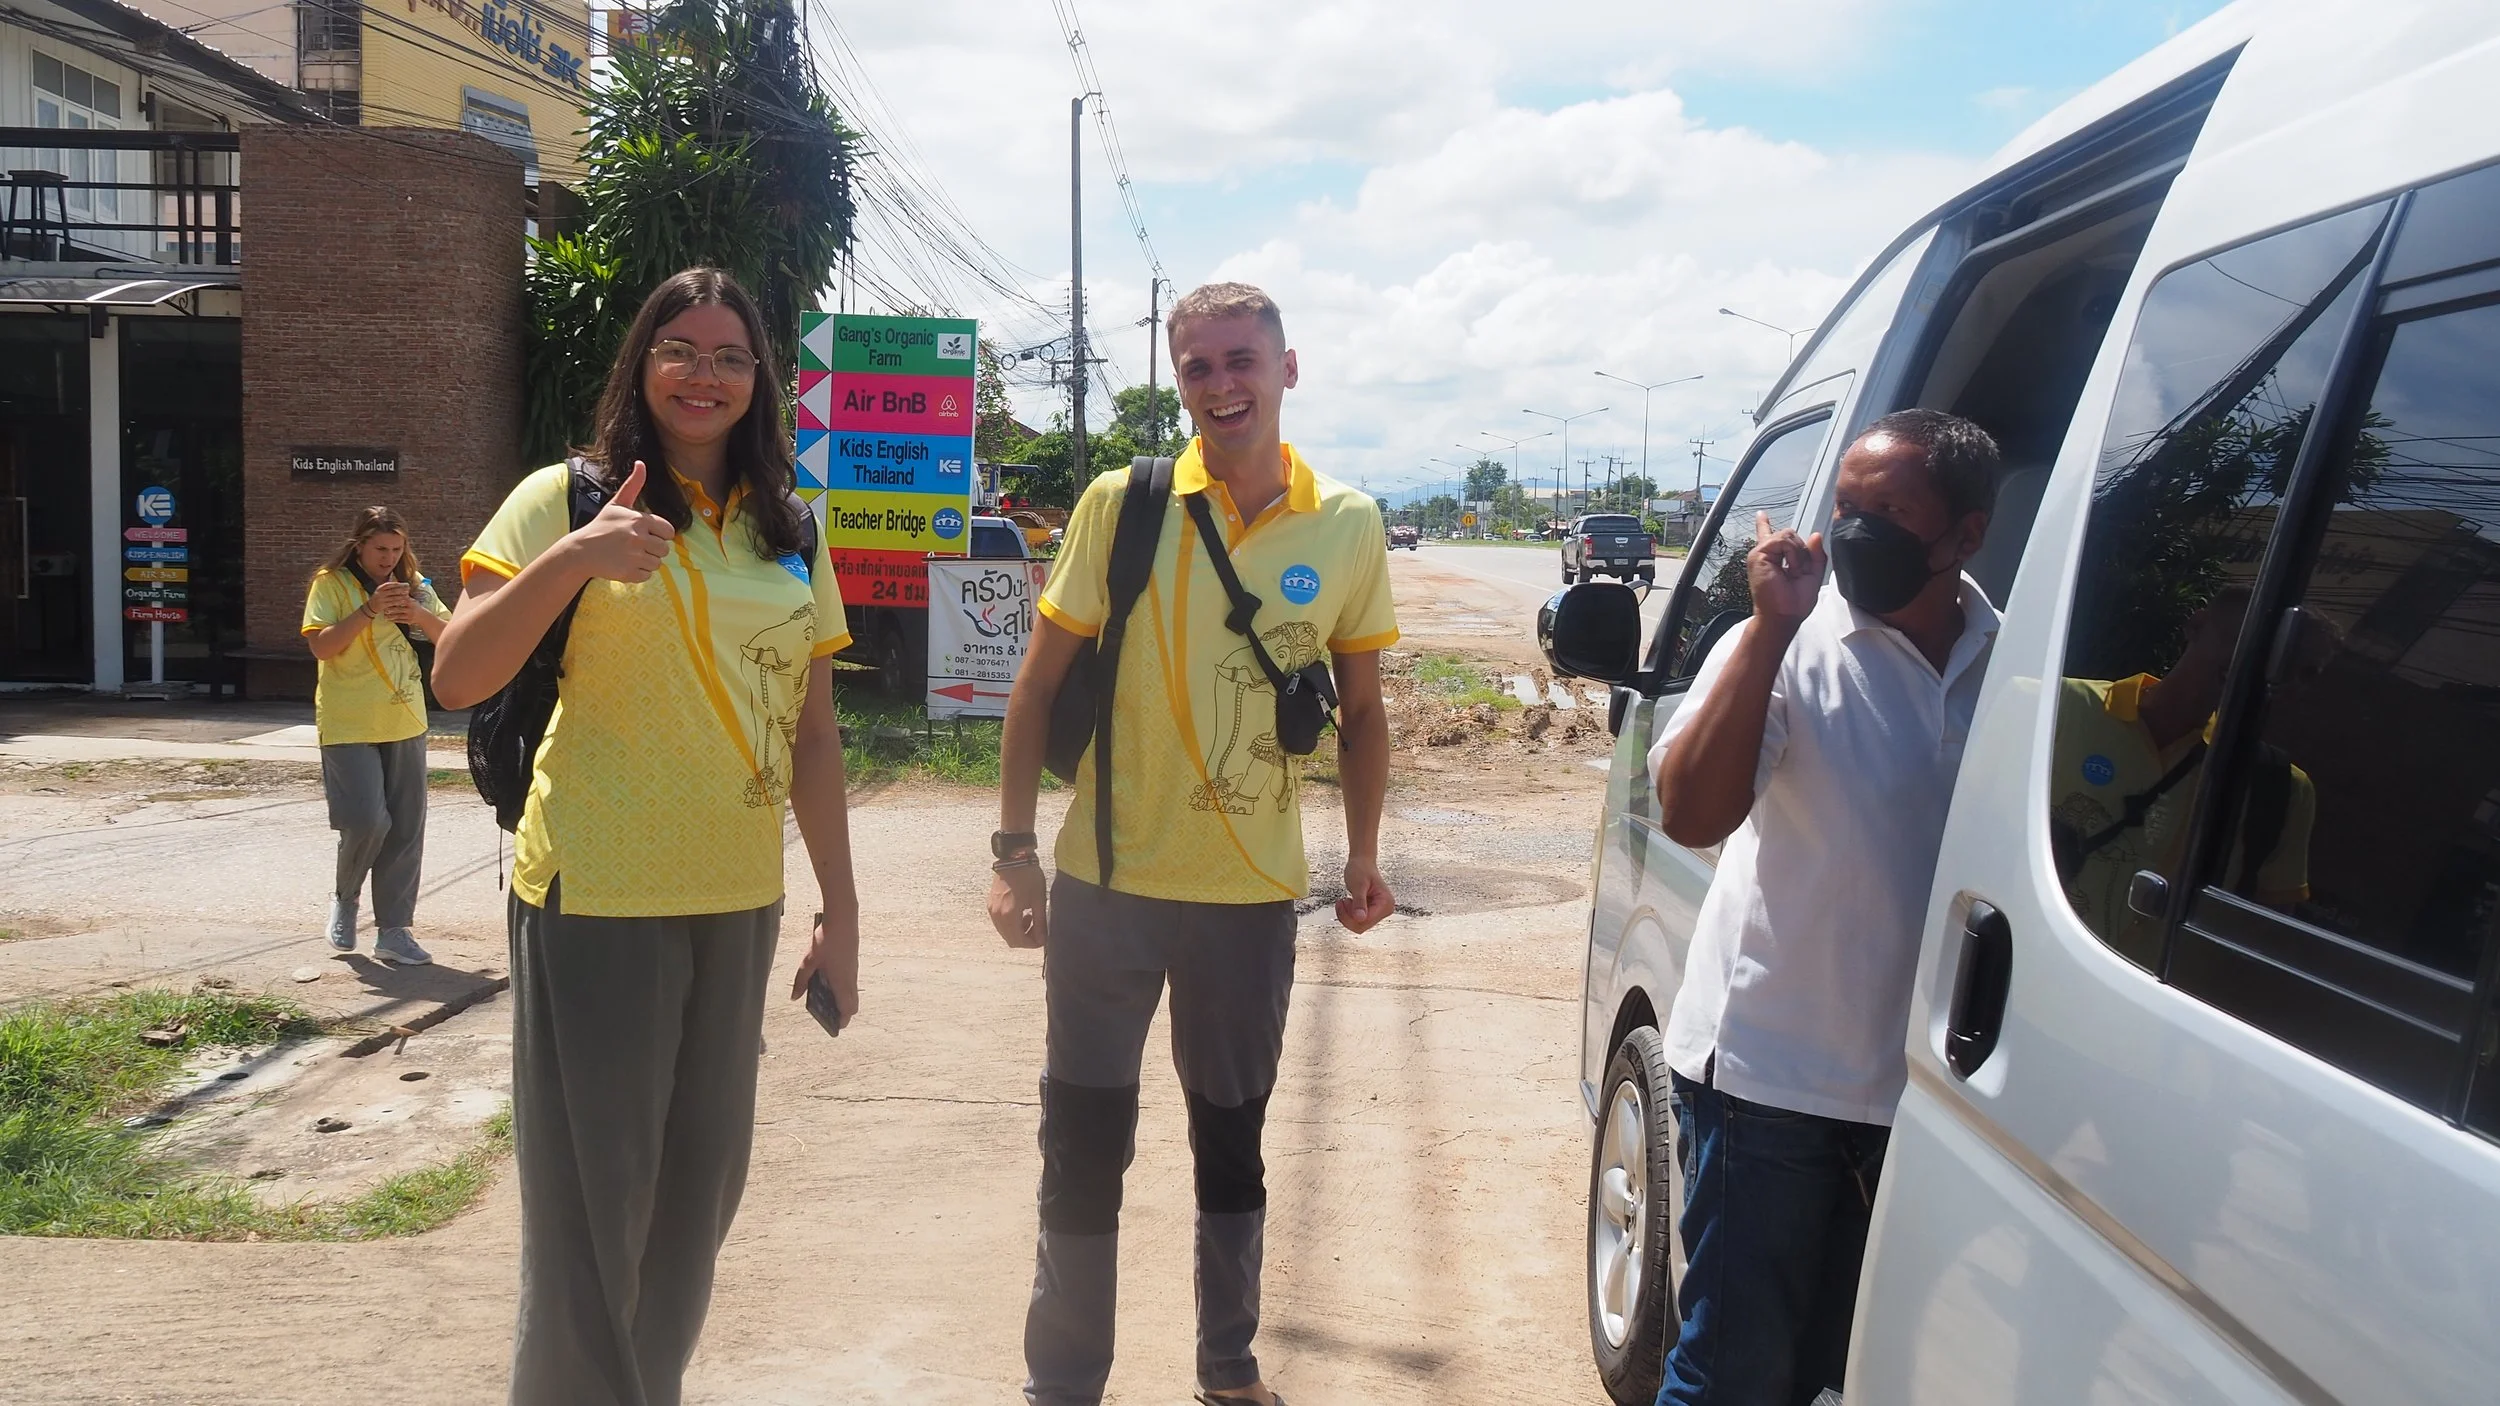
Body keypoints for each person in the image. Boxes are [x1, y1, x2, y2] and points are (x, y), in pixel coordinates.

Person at [430, 267, 861, 1406]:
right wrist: (574, 557)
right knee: (590, 1203)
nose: (704, 373)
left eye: (730, 354)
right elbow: (459, 670)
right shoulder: (561, 497)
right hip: (596, 890)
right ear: (643, 362)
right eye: (680, 347)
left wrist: (841, 908)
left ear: (761, 379)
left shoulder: (787, 524)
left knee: (695, 1197)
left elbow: (813, 733)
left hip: (735, 895)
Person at [989, 281, 1400, 1406]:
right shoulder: (1123, 506)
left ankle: (1227, 1367)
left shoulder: (1348, 523)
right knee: (1082, 1138)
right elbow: (1036, 688)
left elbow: (1361, 713)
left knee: (1230, 1142)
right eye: (1198, 368)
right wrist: (1013, 849)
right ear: (1178, 381)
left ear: (1286, 368)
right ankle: (1061, 1381)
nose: (1221, 386)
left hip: (1249, 895)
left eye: (1240, 361)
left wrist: (1362, 858)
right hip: (1104, 885)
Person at [1648, 408, 2005, 1405]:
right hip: (1769, 1083)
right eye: (1845, 505)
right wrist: (1768, 630)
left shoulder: (2007, 664)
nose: (1856, 531)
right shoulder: (1789, 643)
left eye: (1888, 511)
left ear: (1964, 533)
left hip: (1919, 1094)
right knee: (1733, 1372)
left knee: (1843, 1374)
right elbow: (1688, 811)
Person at [2050, 584, 2324, 961]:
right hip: (2031, 960)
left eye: (2282, 665)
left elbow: (2265, 933)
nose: (2253, 665)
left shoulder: (2279, 787)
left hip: (2145, 1002)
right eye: (2241, 640)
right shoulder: (2062, 706)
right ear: (2195, 626)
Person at [300, 505, 453, 965]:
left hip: (405, 717)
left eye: (396, 548)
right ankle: (346, 900)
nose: (388, 558)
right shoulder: (330, 583)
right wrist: (368, 610)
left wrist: (416, 613)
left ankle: (394, 930)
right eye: (380, 548)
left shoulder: (417, 584)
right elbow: (322, 646)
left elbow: (452, 636)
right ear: (359, 545)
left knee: (406, 826)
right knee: (367, 820)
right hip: (348, 720)